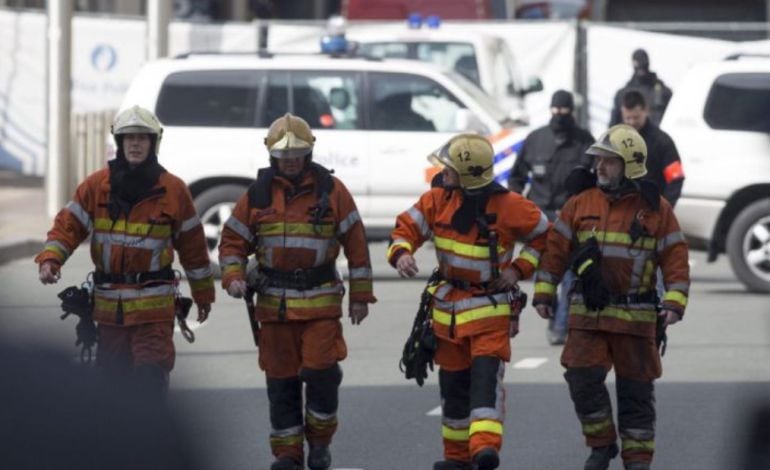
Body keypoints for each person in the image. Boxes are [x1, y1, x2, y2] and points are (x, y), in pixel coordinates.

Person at [218, 113, 376, 470]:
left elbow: (356, 243)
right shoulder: (257, 195)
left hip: (320, 303)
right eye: (284, 154)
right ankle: (288, 455)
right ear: (271, 155)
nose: (290, 160)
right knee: (281, 384)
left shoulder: (332, 192)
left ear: (309, 153)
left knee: (321, 376)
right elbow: (232, 241)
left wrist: (361, 296)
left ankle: (319, 443)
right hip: (273, 306)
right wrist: (233, 276)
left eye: (297, 153)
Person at [532, 124, 690, 470]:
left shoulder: (656, 209)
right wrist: (544, 292)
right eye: (598, 160)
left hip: (636, 320)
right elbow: (555, 250)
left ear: (629, 165)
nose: (600, 167)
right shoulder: (580, 203)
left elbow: (675, 256)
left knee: (636, 396)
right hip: (588, 315)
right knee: (580, 378)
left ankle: (637, 462)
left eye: (609, 161)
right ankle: (602, 444)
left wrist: (675, 301)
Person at [388, 133, 549, 470]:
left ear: (465, 175)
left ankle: (484, 450)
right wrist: (401, 253)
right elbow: (405, 228)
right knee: (454, 387)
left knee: (484, 384)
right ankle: (457, 459)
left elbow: (546, 234)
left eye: (449, 169)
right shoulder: (437, 200)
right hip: (448, 315)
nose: (442, 172)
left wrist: (519, 269)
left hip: (489, 310)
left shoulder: (509, 206)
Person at [35, 105, 215, 396]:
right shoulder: (96, 186)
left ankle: (152, 441)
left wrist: (203, 293)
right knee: (114, 392)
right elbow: (68, 226)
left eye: (142, 138)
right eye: (128, 137)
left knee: (148, 383)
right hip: (109, 314)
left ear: (153, 143)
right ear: (119, 142)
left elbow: (193, 247)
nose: (134, 143)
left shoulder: (173, 190)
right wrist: (51, 259)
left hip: (153, 313)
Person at [508, 89, 595, 345]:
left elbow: (594, 180)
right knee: (545, 274)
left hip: (571, 221)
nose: (559, 115)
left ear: (572, 112)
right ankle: (553, 312)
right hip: (538, 223)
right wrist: (514, 207)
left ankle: (561, 326)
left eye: (564, 111)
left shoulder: (584, 141)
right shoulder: (536, 140)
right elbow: (516, 178)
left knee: (569, 275)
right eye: (555, 111)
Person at [620, 90, 684, 207]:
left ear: (646, 111)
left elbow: (675, 179)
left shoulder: (662, 142)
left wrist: (664, 209)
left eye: (636, 117)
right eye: (628, 118)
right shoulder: (615, 140)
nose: (632, 122)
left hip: (651, 209)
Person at [609, 49, 672, 127]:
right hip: (629, 137)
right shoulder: (622, 94)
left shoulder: (663, 93)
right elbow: (613, 127)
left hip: (656, 136)